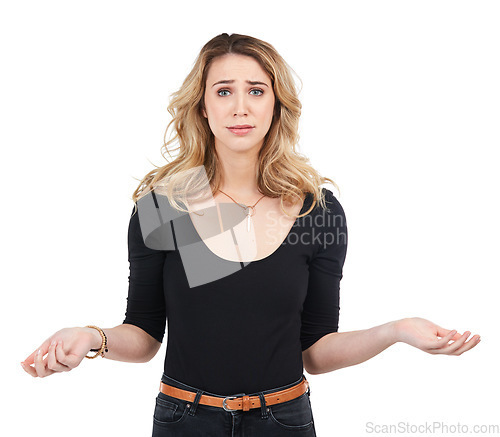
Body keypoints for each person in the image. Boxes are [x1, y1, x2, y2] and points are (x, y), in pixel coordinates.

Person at [21, 33, 481, 437]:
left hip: (284, 421)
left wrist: (395, 331)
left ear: (275, 104)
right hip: (184, 421)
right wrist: (90, 336)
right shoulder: (165, 207)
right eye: (224, 91)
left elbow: (316, 352)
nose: (240, 106)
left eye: (256, 91)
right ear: (203, 105)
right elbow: (144, 334)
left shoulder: (315, 211)